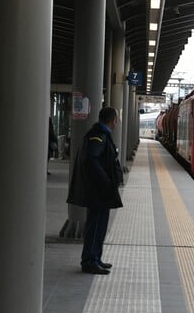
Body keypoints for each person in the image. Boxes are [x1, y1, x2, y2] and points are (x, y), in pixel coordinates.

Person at [67, 107, 124, 275]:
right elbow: (91, 159)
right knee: (95, 225)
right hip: (98, 191)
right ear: (113, 120)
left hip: (101, 191)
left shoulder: (101, 134)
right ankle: (89, 261)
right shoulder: (97, 135)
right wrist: (105, 181)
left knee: (100, 226)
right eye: (116, 120)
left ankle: (96, 258)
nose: (116, 122)